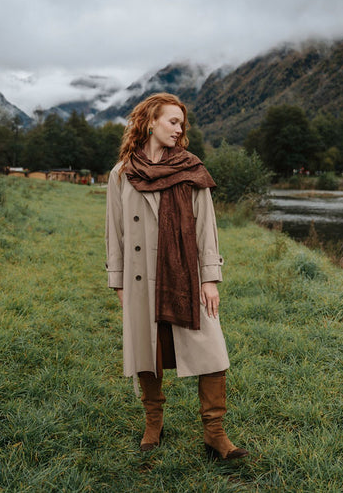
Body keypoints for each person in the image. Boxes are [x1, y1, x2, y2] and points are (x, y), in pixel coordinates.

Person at [105, 92, 248, 461]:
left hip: (185, 275)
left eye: (182, 124)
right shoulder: (122, 174)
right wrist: (118, 281)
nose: (179, 129)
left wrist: (209, 278)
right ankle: (153, 423)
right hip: (141, 278)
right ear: (150, 121)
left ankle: (215, 432)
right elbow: (115, 232)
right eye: (173, 121)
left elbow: (206, 228)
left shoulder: (191, 168)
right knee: (147, 354)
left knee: (212, 353)